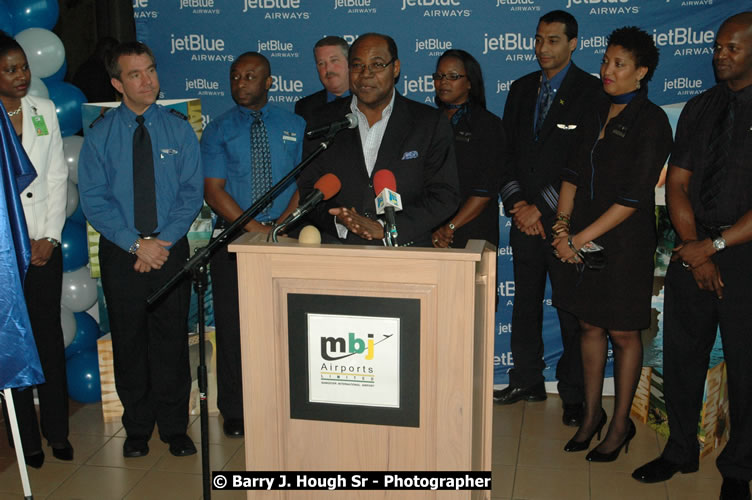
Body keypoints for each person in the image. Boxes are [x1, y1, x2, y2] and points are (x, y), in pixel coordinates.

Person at [632, 13, 752, 500]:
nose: (719, 55)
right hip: (691, 248)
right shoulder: (701, 107)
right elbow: (677, 182)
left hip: (744, 257)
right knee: (681, 357)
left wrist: (718, 247)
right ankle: (680, 449)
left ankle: (740, 469)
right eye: (718, 47)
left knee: (746, 367)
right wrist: (697, 250)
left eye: (732, 49)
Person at [552, 26, 672, 462]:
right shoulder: (593, 111)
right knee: (588, 326)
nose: (607, 70)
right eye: (605, 60)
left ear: (641, 72)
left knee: (622, 332)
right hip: (580, 240)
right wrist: (562, 229)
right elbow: (571, 175)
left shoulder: (652, 121)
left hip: (624, 246)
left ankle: (620, 425)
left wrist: (578, 239)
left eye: (619, 64)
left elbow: (633, 198)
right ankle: (591, 415)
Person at [78, 41, 203, 459]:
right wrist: (136, 244)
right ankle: (137, 429)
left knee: (171, 340)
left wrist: (161, 242)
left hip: (169, 248)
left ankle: (173, 427)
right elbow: (95, 200)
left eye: (150, 70)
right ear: (117, 83)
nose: (147, 80)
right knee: (129, 341)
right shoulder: (99, 136)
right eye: (135, 74)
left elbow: (190, 192)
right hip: (122, 251)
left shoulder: (178, 128)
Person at [495, 10, 602, 428]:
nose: (543, 48)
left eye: (553, 40)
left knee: (570, 309)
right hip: (524, 221)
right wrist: (518, 205)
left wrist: (542, 206)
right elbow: (505, 156)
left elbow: (585, 160)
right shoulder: (521, 89)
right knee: (524, 304)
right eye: (538, 39)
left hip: (565, 223)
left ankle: (574, 393)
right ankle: (526, 379)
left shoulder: (591, 92)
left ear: (573, 44)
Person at [201, 52, 304, 437]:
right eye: (235, 76)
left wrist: (278, 227)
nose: (241, 83)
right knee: (233, 329)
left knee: (286, 327)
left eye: (250, 76)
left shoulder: (295, 124)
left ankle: (286, 402)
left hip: (287, 239)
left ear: (269, 82)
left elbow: (303, 183)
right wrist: (255, 228)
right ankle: (237, 410)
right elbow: (214, 191)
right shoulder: (217, 129)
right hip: (234, 241)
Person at [297, 33, 459, 247]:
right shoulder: (323, 121)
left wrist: (387, 229)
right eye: (357, 65)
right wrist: (338, 220)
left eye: (377, 64)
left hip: (407, 255)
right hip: (337, 252)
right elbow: (309, 190)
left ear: (395, 68)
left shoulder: (428, 123)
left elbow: (444, 196)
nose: (366, 74)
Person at [0, 31, 70, 469]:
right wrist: (16, 244)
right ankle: (27, 439)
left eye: (23, 67)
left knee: (47, 339)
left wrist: (50, 237)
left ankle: (58, 431)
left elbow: (56, 178)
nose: (22, 75)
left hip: (45, 246)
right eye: (10, 70)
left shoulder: (43, 111)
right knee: (15, 345)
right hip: (6, 255)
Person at [431, 49, 502, 250]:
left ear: (470, 82)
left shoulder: (487, 125)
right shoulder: (426, 123)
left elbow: (485, 188)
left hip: (473, 232)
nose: (444, 81)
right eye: (439, 76)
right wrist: (434, 227)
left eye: (453, 76)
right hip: (431, 233)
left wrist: (450, 227)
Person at [294, 36, 350, 124]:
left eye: (334, 60)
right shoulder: (305, 107)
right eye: (321, 63)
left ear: (349, 62)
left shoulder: (366, 101)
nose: (328, 69)